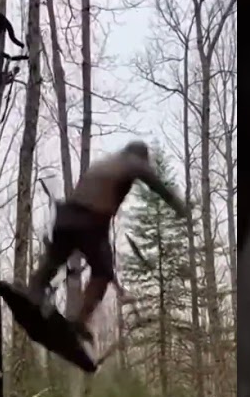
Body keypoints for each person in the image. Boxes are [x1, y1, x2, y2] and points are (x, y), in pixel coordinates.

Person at [20, 140, 188, 344]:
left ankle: (34, 292)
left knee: (54, 260)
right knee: (103, 273)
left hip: (65, 217)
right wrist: (178, 206)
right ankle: (79, 322)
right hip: (91, 222)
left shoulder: (104, 163)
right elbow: (153, 181)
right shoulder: (132, 162)